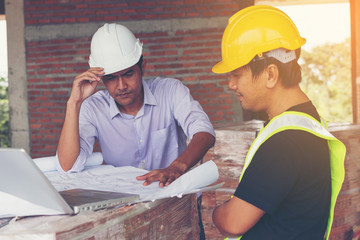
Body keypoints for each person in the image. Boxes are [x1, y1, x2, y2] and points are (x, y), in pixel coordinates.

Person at [211, 5, 346, 240]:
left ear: (271, 74)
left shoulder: (285, 142)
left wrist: (216, 212)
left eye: (236, 75)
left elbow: (233, 222)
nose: (231, 85)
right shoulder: (306, 121)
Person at [56, 23, 216, 189]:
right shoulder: (93, 108)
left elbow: (204, 132)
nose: (121, 86)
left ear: (143, 68)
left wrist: (177, 167)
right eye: (111, 78)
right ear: (100, 79)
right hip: (126, 203)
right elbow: (68, 166)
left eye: (128, 74)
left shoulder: (171, 91)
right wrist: (73, 103)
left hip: (175, 197)